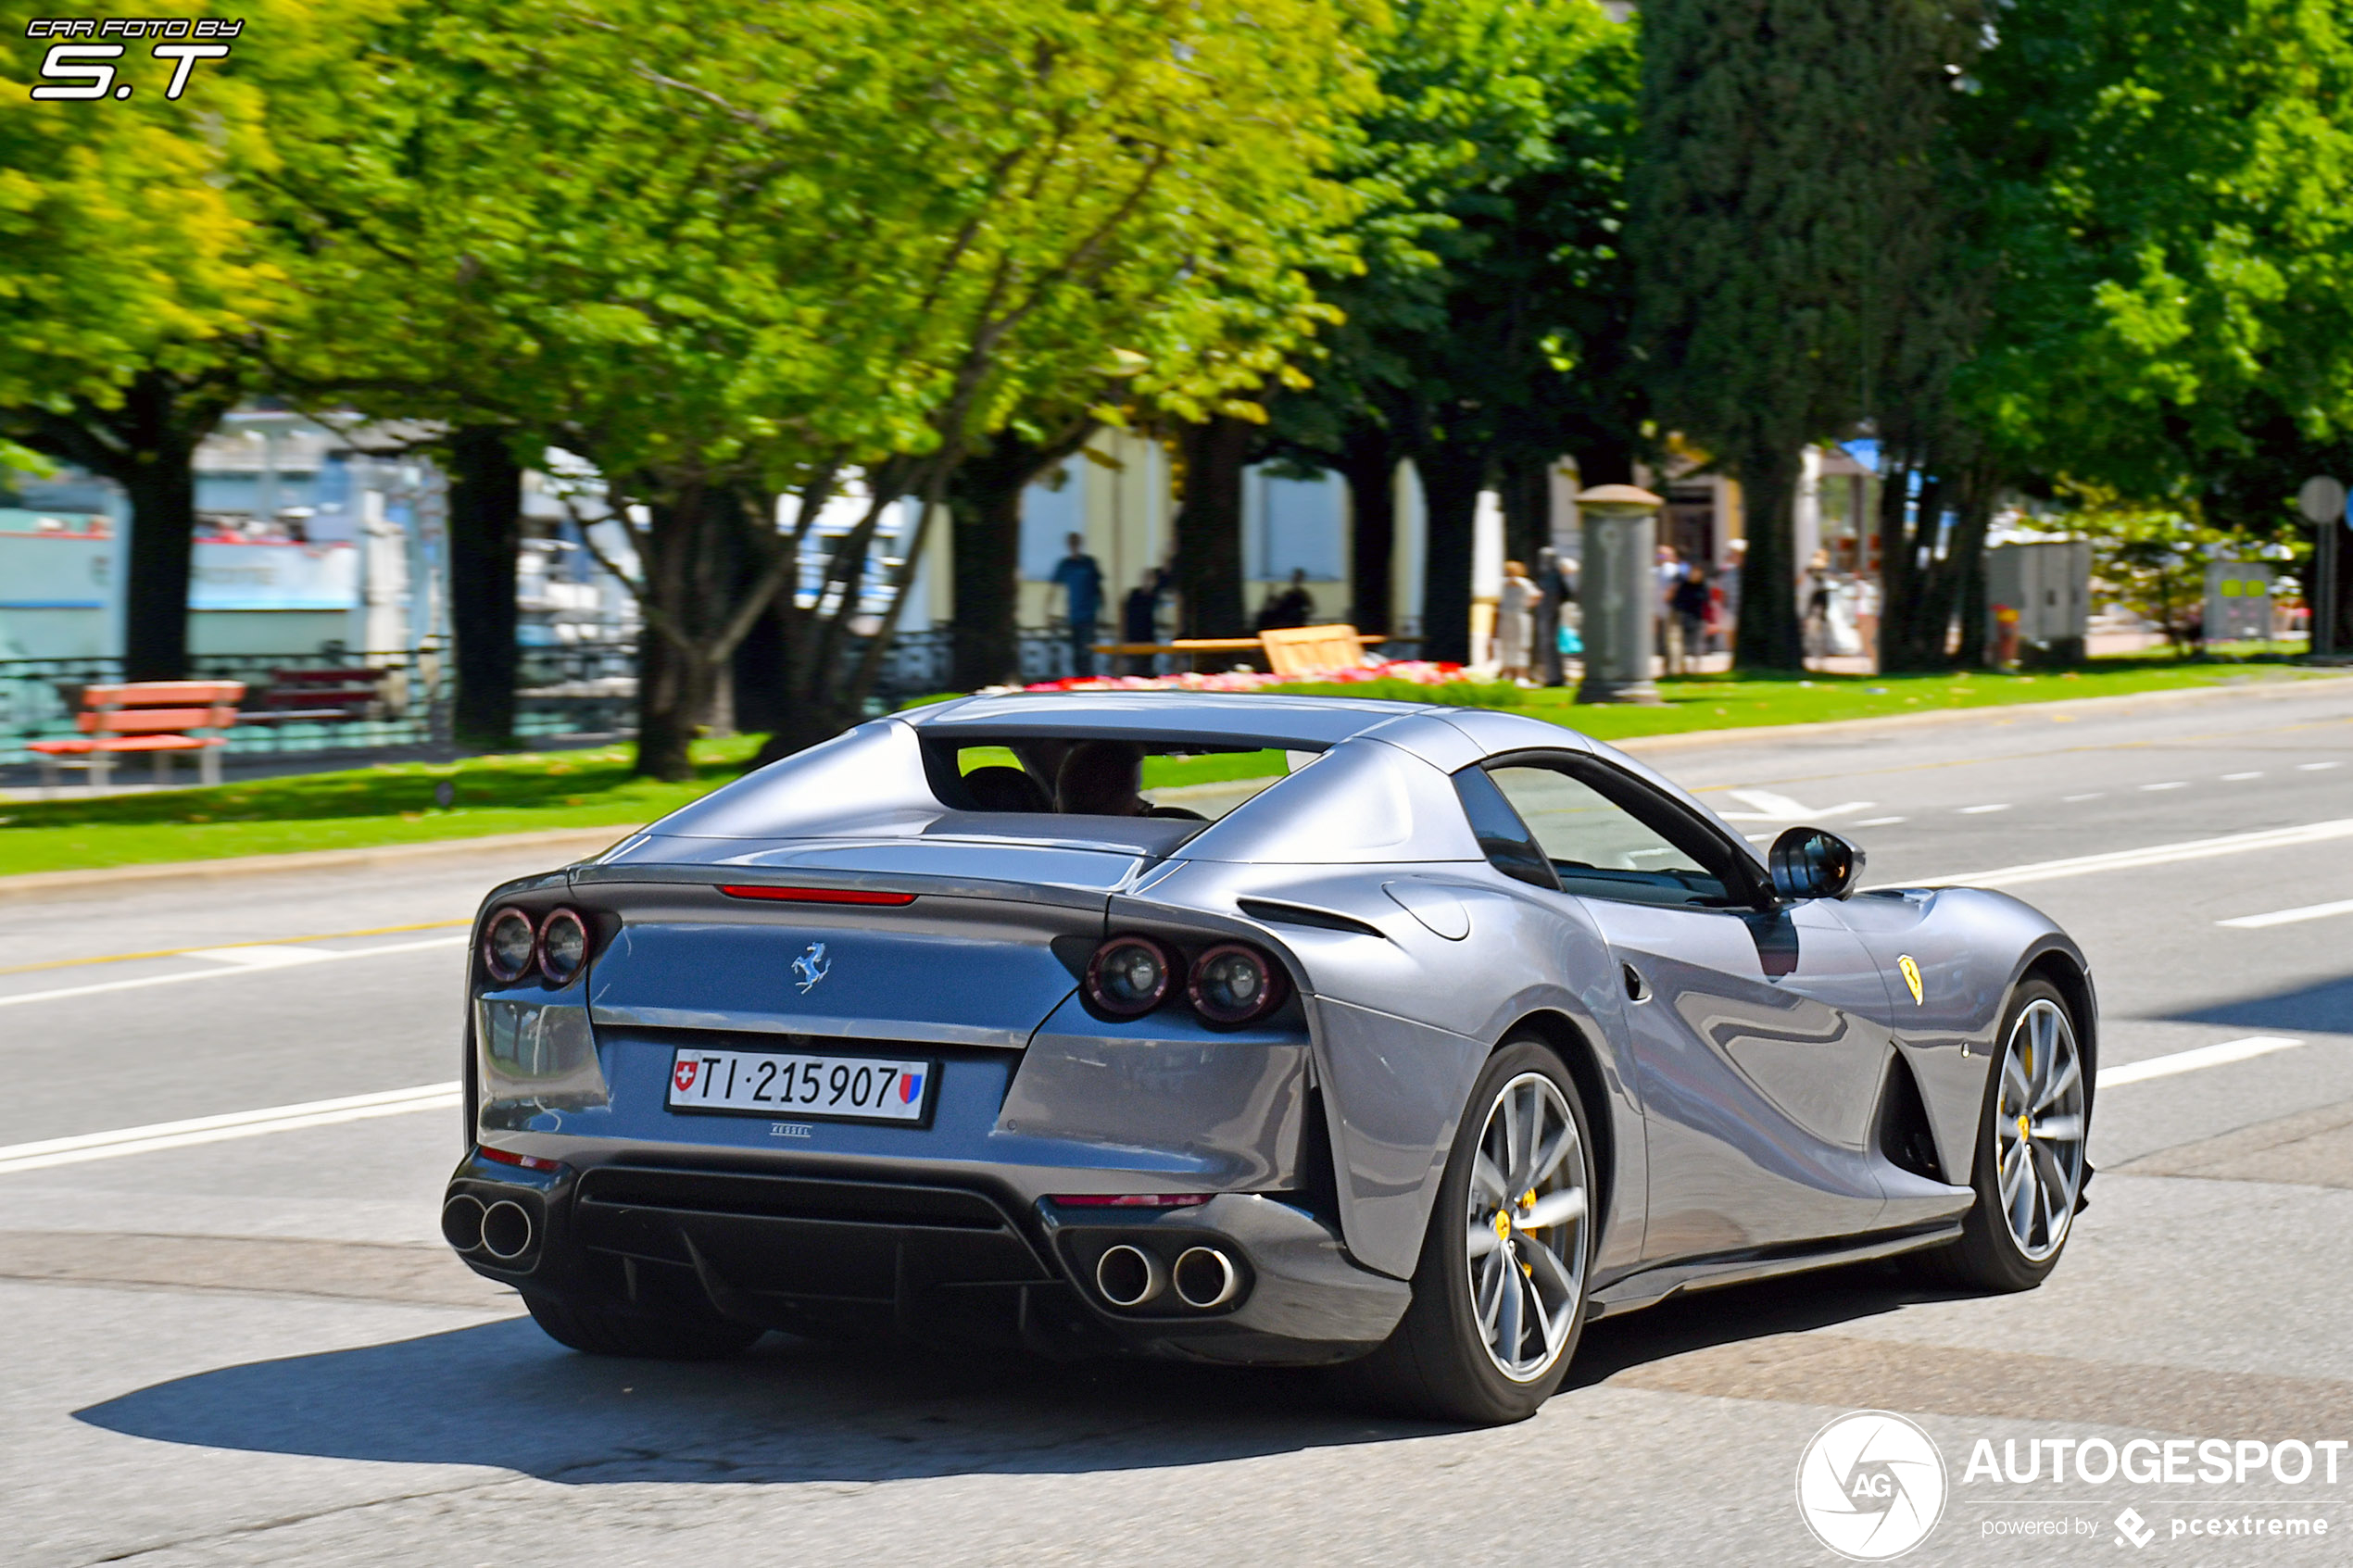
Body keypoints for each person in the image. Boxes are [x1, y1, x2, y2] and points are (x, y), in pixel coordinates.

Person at [1050, 533, 1104, 677]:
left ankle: (1088, 680)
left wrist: (1103, 612)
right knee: (1076, 653)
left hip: (1089, 615)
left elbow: (1099, 589)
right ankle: (1080, 681)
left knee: (1087, 652)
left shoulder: (1089, 563)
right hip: (1073, 615)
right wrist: (1049, 612)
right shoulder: (1065, 565)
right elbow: (1053, 589)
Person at [1497, 559, 1537, 683]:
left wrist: (1527, 605)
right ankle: (1508, 673)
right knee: (1506, 644)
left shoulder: (1524, 583)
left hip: (1520, 615)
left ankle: (1522, 675)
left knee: (1521, 645)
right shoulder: (1502, 582)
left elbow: (1536, 595)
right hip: (1506, 615)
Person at [1120, 567, 1164, 675]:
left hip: (1148, 637)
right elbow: (1125, 614)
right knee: (1134, 668)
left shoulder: (1154, 597)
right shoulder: (1134, 595)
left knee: (1146, 666)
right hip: (1134, 636)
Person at [1669, 563, 1711, 675]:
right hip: (1684, 617)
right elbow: (1678, 602)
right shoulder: (1684, 586)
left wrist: (1709, 620)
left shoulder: (1703, 586)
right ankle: (1684, 667)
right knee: (1684, 644)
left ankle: (1696, 668)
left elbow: (1707, 603)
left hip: (1698, 618)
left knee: (1697, 644)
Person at [1255, 567, 1315, 632]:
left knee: (1266, 616)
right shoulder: (1288, 592)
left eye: (1297, 577)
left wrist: (1301, 614)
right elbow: (1279, 603)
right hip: (1281, 615)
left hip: (1290, 618)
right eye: (1294, 577)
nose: (1294, 579)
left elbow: (1312, 608)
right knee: (1264, 615)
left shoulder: (1302, 593)